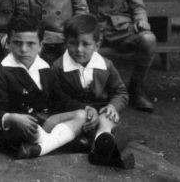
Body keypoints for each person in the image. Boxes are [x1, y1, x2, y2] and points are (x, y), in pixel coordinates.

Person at [71, 0, 156, 112]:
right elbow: (76, 4)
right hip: (92, 27)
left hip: (120, 28)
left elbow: (137, 4)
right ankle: (91, 94)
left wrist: (141, 20)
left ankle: (136, 89)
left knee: (148, 39)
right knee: (82, 46)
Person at [0, 16, 87, 159]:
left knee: (82, 115)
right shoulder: (2, 72)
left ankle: (41, 148)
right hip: (18, 126)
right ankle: (60, 141)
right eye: (17, 43)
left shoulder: (44, 68)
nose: (24, 49)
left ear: (41, 45)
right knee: (31, 131)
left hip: (43, 120)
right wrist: (12, 118)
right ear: (8, 43)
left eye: (31, 43)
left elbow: (60, 99)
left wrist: (85, 108)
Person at [52, 14, 134, 169]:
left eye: (85, 44)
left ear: (97, 44)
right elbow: (58, 98)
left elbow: (120, 92)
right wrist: (84, 111)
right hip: (76, 113)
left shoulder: (106, 66)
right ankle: (103, 144)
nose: (79, 49)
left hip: (101, 112)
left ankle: (101, 142)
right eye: (73, 43)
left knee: (109, 119)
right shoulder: (58, 68)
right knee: (76, 129)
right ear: (66, 43)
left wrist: (113, 107)